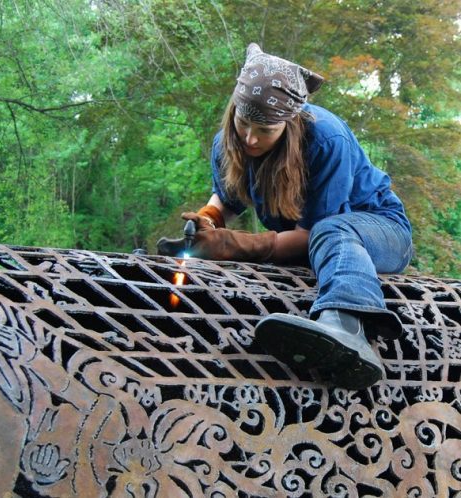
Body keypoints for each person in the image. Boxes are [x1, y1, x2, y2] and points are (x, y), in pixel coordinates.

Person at [157, 43, 413, 391]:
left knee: (331, 230)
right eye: (243, 122)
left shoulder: (326, 139)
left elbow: (312, 236)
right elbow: (228, 199)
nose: (250, 138)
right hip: (321, 241)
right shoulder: (228, 142)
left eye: (265, 130)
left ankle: (348, 329)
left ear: (288, 124)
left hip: (380, 232)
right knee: (326, 233)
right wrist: (208, 221)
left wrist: (235, 245)